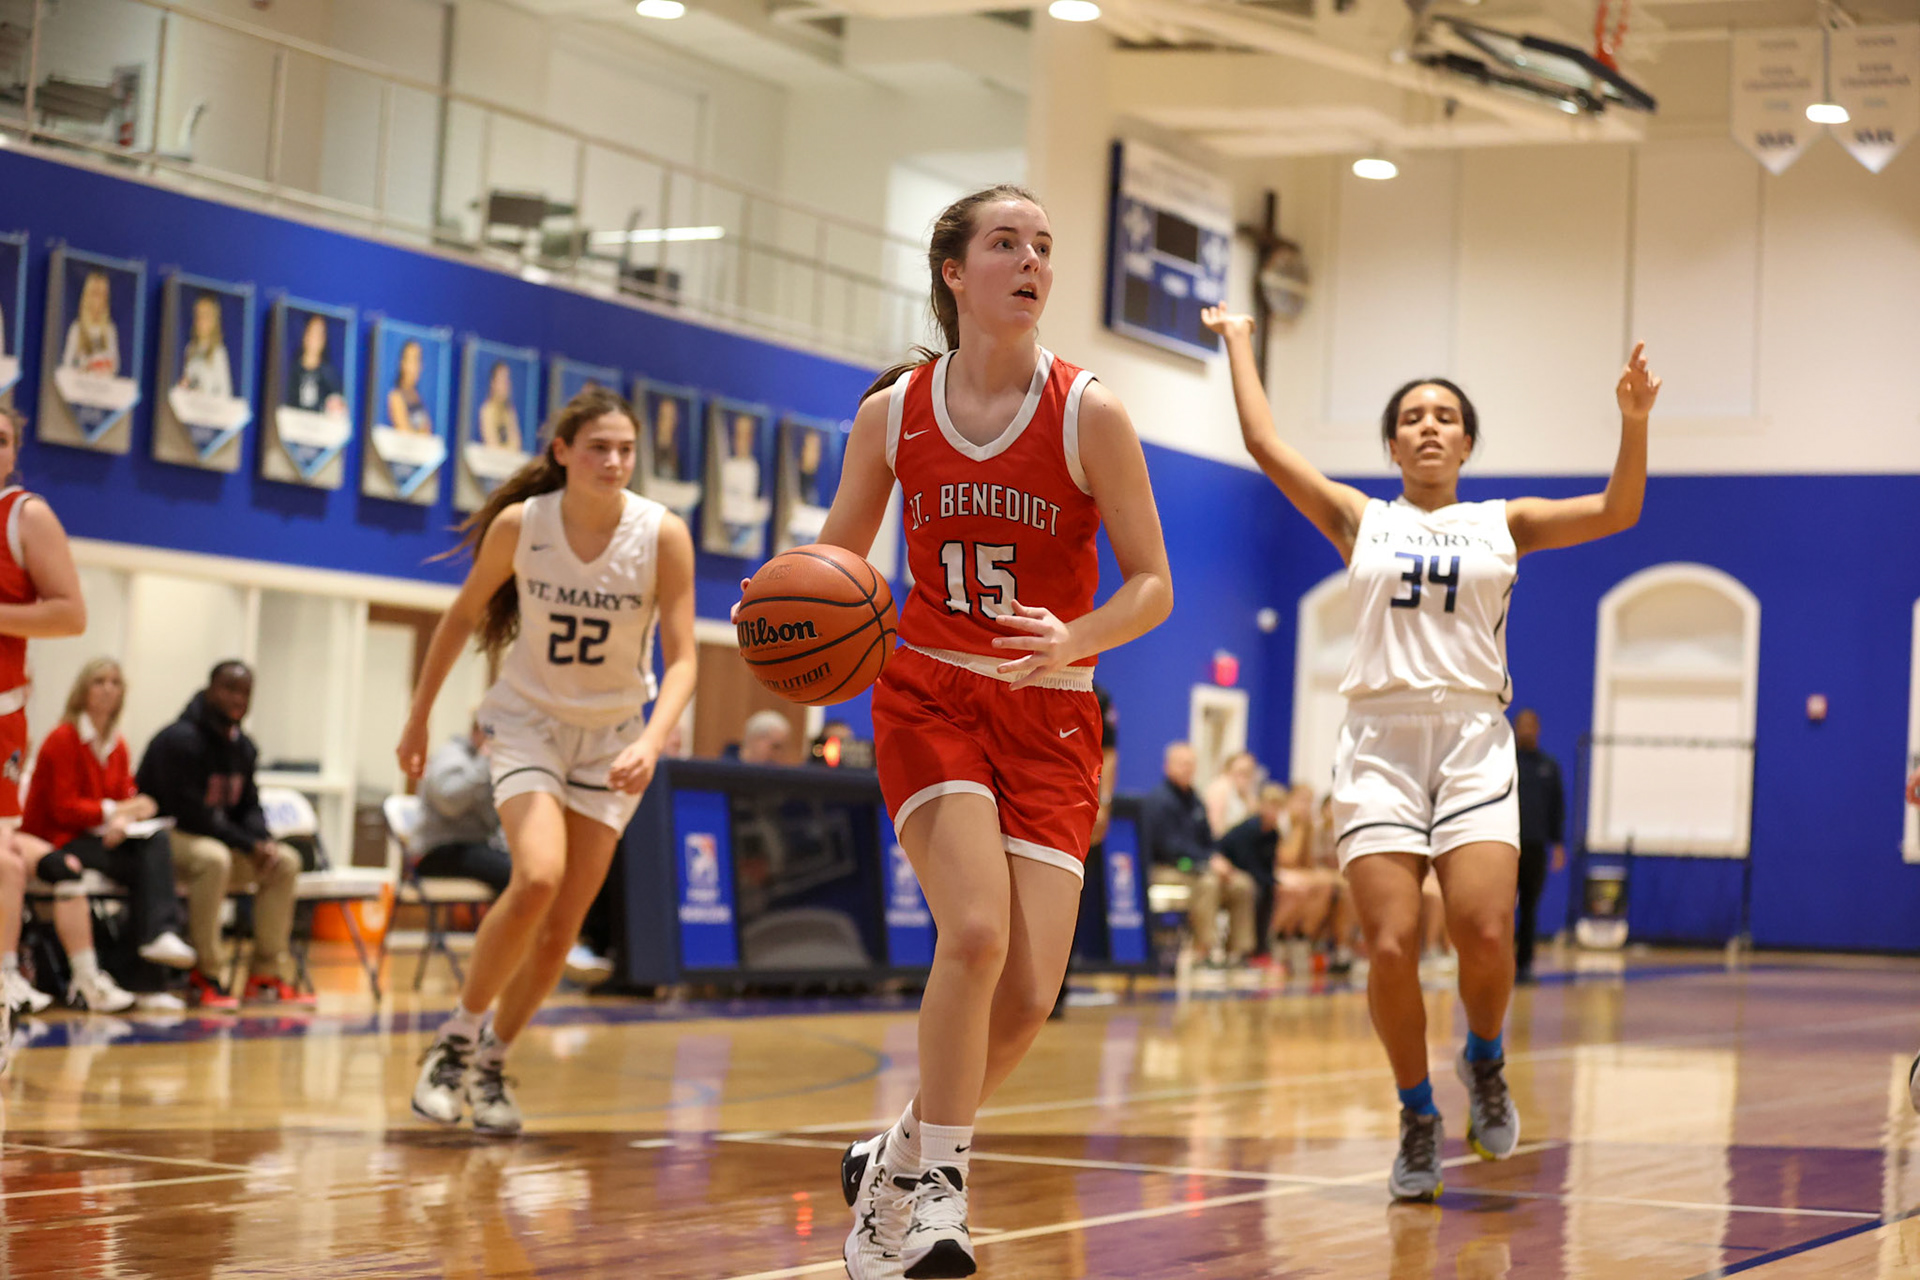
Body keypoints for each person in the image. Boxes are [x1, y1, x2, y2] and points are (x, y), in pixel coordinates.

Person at [750, 185, 1170, 1279]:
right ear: (954, 271)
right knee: (975, 931)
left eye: (1044, 245)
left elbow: (1155, 586)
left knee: (1029, 992)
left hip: (1052, 706)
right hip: (929, 691)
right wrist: (795, 624)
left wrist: (1071, 632)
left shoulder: (1091, 411)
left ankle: (890, 1155)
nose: (1031, 261)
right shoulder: (894, 413)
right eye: (1005, 243)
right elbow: (840, 562)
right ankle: (932, 1192)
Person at [1204, 303, 1659, 1202]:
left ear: (1466, 441)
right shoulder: (1356, 519)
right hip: (1379, 742)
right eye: (1412, 415)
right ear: (1392, 441)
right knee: (1387, 944)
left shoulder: (1506, 521)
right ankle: (1417, 1113)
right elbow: (1262, 442)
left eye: (1444, 415)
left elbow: (1620, 509)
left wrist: (1634, 421)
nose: (1428, 426)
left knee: (1485, 931)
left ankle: (1483, 1059)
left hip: (1472, 740)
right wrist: (1239, 338)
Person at [399, 384, 696, 1137]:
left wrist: (651, 740)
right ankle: (453, 1044)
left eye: (626, 449)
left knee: (563, 928)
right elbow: (464, 614)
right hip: (529, 721)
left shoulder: (663, 535)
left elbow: (686, 658)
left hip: (610, 737)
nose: (615, 460)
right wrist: (418, 715)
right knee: (535, 878)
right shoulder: (520, 525)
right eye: (599, 446)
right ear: (561, 451)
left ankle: (494, 1061)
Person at [23, 658, 196, 1010]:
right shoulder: (63, 738)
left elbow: (127, 796)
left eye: (115, 682)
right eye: (99, 681)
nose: (108, 689)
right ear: (82, 690)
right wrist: (115, 812)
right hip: (55, 841)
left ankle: (149, 965)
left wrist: (126, 817)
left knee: (152, 848)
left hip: (98, 837)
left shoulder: (116, 744)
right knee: (147, 861)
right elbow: (63, 808)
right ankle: (152, 945)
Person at [136, 661, 308, 1011]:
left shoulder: (243, 747)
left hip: (221, 842)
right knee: (212, 858)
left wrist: (262, 840)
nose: (238, 699)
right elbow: (193, 813)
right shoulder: (179, 740)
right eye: (230, 689)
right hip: (166, 841)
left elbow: (249, 805)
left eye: (245, 693)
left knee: (285, 862)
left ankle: (266, 973)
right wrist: (246, 843)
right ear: (210, 689)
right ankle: (206, 973)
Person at [0, 406, 87, 1068]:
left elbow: (68, 613)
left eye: (0, 439)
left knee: (2, 861)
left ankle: (2, 986)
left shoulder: (25, 516)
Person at [1145, 741, 1255, 968]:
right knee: (1208, 883)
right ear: (1168, 767)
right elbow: (1168, 846)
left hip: (1198, 867)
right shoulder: (1159, 801)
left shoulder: (1195, 800)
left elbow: (1208, 839)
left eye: (1191, 764)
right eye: (1182, 764)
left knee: (1242, 884)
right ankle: (1204, 952)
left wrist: (1217, 858)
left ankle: (1238, 953)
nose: (1187, 769)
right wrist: (1206, 861)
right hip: (1168, 868)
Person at [415, 719, 511, 895]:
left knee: (531, 868)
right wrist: (484, 761)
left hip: (478, 848)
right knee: (514, 875)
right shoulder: (451, 755)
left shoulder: (494, 765)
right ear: (478, 731)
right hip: (441, 850)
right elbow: (449, 803)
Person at [1511, 708, 1564, 984]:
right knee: (1502, 908)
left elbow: (1557, 807)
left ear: (1538, 730)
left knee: (1530, 908)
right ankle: (1500, 966)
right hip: (1507, 846)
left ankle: (1525, 965)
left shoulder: (1548, 766)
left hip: (1535, 847)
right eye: (1522, 725)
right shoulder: (1505, 763)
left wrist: (1557, 845)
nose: (1527, 730)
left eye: (1531, 725)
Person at [1216, 783, 1285, 961]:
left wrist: (1273, 881)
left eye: (1278, 807)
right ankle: (1245, 948)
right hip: (1232, 868)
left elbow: (1268, 865)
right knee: (1256, 890)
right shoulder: (1248, 830)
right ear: (1261, 806)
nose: (1273, 811)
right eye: (1270, 805)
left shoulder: (1274, 834)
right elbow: (1245, 862)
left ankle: (1261, 947)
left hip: (1253, 873)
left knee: (1270, 891)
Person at [61, 270, 119, 376]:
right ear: (87, 296)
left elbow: (115, 365)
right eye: (96, 294)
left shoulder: (110, 329)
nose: (100, 300)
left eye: (103, 295)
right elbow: (67, 364)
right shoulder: (77, 328)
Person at [287, 313, 344, 414]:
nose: (315, 339)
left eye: (319, 335)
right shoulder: (290, 370)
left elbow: (337, 405)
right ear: (305, 335)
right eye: (312, 333)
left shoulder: (330, 375)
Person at [179, 293, 232, 398]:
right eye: (198, 316)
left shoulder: (218, 352)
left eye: (205, 316)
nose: (200, 321)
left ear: (214, 321)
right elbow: (189, 381)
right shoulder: (190, 349)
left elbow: (225, 392)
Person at [1203, 750, 1259, 839]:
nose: (1245, 778)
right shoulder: (1219, 789)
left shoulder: (1249, 795)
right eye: (1241, 772)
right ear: (1228, 771)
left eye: (1249, 773)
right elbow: (1215, 828)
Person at [388, 340, 434, 436]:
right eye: (410, 360)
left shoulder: (417, 396)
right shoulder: (396, 396)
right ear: (402, 363)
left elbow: (427, 431)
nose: (414, 366)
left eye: (417, 360)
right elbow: (404, 431)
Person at [477, 362, 521, 451]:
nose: (506, 385)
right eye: (502, 380)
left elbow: (516, 443)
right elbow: (491, 444)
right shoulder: (487, 410)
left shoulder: (509, 412)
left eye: (507, 380)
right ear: (493, 383)